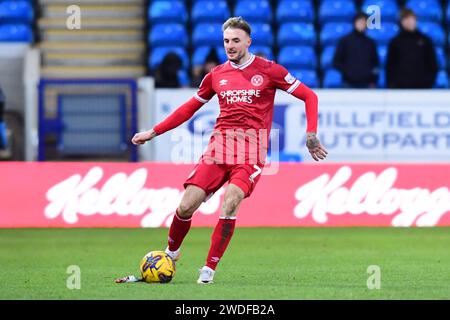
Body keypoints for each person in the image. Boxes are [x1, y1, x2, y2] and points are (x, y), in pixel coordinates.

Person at [128, 17, 327, 284]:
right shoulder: (216, 75)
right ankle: (170, 255)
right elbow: (189, 108)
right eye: (226, 41)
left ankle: (208, 270)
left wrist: (311, 133)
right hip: (218, 148)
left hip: (251, 151)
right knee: (186, 206)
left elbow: (309, 96)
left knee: (231, 200)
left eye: (235, 40)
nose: (230, 46)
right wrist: (153, 131)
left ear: (248, 41)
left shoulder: (270, 70)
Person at [386, 9, 438, 88]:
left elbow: (432, 63)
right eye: (405, 19)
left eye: (411, 18)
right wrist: (392, 84)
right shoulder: (395, 42)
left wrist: (429, 82)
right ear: (401, 22)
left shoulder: (426, 40)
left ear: (415, 19)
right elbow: (390, 66)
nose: (409, 21)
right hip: (400, 87)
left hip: (422, 87)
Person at [333, 12, 379, 88]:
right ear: (354, 23)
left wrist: (373, 80)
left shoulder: (371, 43)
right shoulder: (344, 41)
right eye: (360, 22)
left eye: (364, 22)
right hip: (348, 83)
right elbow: (336, 62)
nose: (362, 24)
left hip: (367, 84)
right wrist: (348, 72)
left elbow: (375, 63)